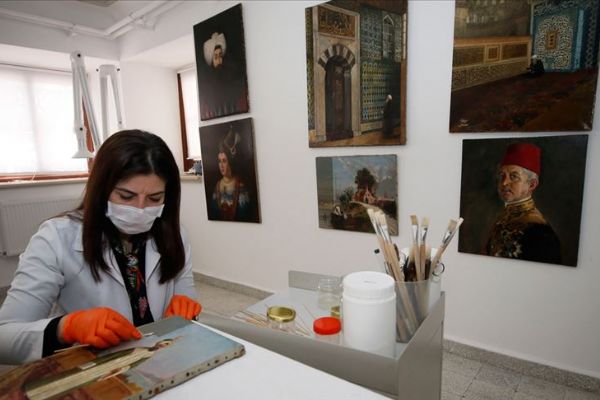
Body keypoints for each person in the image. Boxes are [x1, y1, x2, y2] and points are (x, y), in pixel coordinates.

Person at [0, 129, 202, 364]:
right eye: (126, 196)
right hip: (94, 368)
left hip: (161, 361)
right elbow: (5, 337)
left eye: (154, 198)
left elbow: (185, 301)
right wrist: (66, 327)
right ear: (102, 189)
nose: (140, 209)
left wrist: (186, 307)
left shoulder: (174, 235)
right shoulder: (56, 238)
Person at [24, 338, 178, 400]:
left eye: (166, 346)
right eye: (164, 343)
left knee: (78, 382)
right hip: (100, 364)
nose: (162, 346)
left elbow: (132, 365)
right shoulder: (141, 348)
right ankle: (36, 391)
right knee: (72, 376)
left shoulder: (148, 354)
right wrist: (61, 326)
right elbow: (118, 355)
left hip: (110, 370)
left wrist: (117, 371)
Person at [485, 142, 562, 263]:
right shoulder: (503, 218)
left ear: (532, 184)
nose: (504, 183)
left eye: (514, 176)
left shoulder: (540, 231)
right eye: (502, 176)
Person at [199, 32, 248, 119]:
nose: (219, 60)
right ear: (211, 60)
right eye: (215, 57)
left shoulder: (230, 76)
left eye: (220, 56)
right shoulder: (208, 85)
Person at [210, 126, 250, 221]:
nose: (221, 165)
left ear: (230, 163)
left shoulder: (240, 186)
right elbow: (214, 213)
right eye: (219, 161)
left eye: (224, 161)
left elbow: (244, 215)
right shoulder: (217, 186)